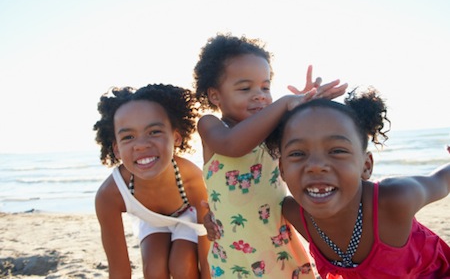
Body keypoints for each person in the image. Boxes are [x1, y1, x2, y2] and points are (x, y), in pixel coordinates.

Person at [193, 32, 347, 277]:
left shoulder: (275, 132)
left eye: (265, 86)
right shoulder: (212, 126)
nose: (260, 95)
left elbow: (309, 140)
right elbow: (233, 145)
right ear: (215, 95)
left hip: (279, 250)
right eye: (245, 88)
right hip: (235, 256)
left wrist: (305, 105)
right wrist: (285, 103)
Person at [265, 87, 450, 278]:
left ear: (366, 166)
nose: (316, 166)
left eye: (337, 151)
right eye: (297, 153)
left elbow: (442, 181)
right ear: (282, 169)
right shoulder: (294, 213)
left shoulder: (395, 200)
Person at [93, 84, 210, 279]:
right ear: (116, 149)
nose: (141, 145)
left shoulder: (192, 179)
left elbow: (208, 256)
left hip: (189, 218)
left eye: (154, 132)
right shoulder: (110, 195)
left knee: (182, 266)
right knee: (154, 271)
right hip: (152, 222)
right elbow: (119, 269)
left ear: (176, 137)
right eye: (128, 137)